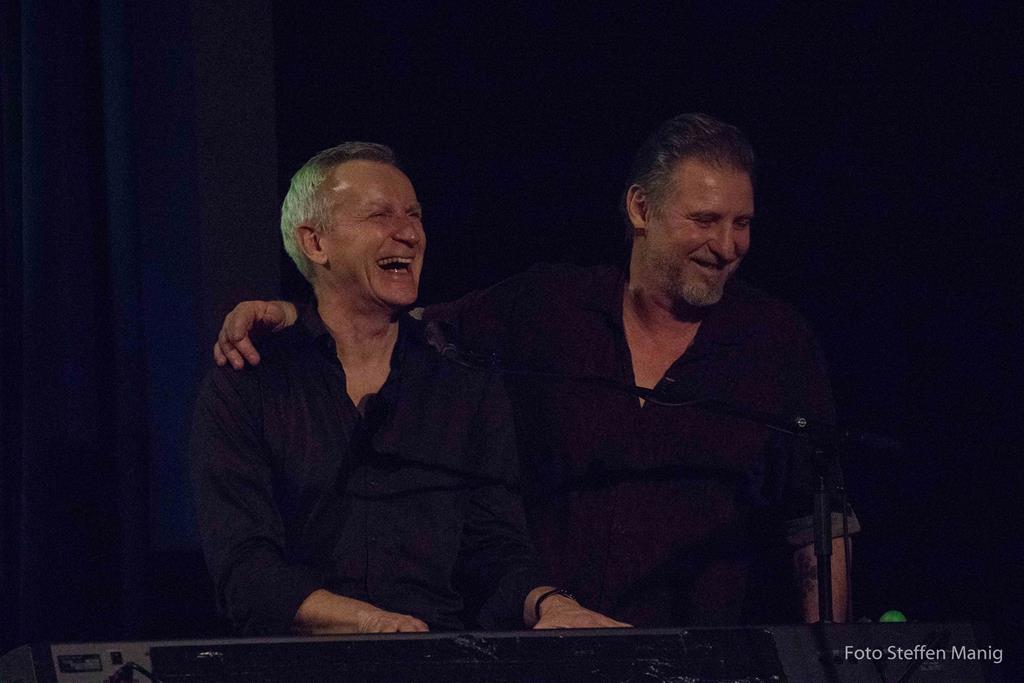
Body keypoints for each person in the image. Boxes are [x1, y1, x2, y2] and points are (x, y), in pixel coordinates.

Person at [213, 115, 859, 627]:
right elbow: (400, 320)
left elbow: (817, 529)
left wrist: (832, 660)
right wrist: (293, 314)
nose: (727, 246)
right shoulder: (544, 309)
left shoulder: (777, 343)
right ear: (640, 209)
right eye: (705, 220)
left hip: (696, 659)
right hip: (550, 656)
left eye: (742, 224)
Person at [191, 142, 625, 635]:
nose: (409, 233)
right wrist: (371, 624)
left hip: (437, 656)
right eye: (380, 215)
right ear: (314, 243)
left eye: (414, 215)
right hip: (301, 662)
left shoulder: (464, 385)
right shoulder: (252, 384)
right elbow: (245, 571)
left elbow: (495, 553)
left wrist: (550, 604)